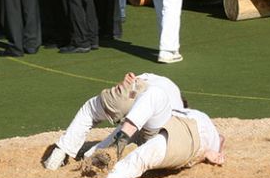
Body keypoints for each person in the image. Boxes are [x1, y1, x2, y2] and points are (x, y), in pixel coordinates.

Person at [44, 72, 184, 170]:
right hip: (138, 99)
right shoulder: (174, 110)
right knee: (140, 141)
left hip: (133, 87)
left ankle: (61, 152)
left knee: (90, 111)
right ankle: (93, 157)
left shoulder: (169, 91)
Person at [98, 108, 225, 178]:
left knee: (142, 154)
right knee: (142, 153)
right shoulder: (211, 134)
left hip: (188, 132)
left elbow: (220, 141)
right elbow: (221, 140)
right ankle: (102, 173)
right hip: (178, 123)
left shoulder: (208, 134)